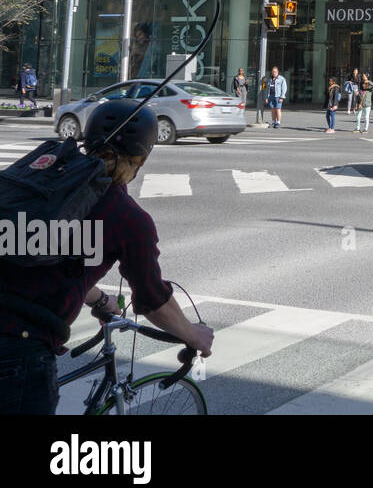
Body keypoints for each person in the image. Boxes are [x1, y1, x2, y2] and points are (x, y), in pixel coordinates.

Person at [0, 101, 214, 414]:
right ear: (141, 158)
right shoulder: (126, 217)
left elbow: (52, 260)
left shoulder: (50, 187)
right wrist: (195, 335)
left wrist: (100, 301)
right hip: (17, 350)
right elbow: (153, 300)